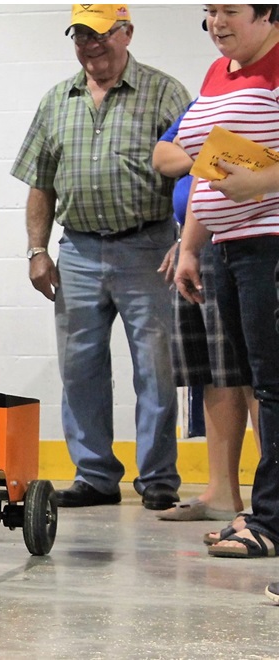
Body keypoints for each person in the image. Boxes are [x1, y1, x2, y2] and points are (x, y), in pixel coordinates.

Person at [10, 4, 190, 509]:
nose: (91, 45)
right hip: (78, 251)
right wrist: (37, 250)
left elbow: (194, 172)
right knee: (80, 369)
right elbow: (40, 183)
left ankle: (157, 478)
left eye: (101, 34)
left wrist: (187, 241)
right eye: (81, 36)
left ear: (127, 33)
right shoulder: (57, 100)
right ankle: (94, 476)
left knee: (155, 368)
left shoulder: (165, 92)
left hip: (149, 248)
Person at [172, 5, 279, 564]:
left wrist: (262, 180)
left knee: (274, 386)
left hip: (272, 241)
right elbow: (207, 166)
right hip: (229, 246)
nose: (216, 21)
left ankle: (272, 520)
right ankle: (265, 511)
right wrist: (191, 245)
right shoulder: (220, 71)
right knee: (257, 384)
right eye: (209, 11)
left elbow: (253, 175)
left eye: (229, 10)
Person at [152, 107, 259, 522]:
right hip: (199, 243)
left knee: (256, 376)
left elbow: (232, 158)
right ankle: (221, 494)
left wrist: (200, 152)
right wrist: (189, 245)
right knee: (215, 373)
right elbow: (162, 157)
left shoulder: (255, 96)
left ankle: (270, 503)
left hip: (247, 239)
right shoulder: (210, 95)